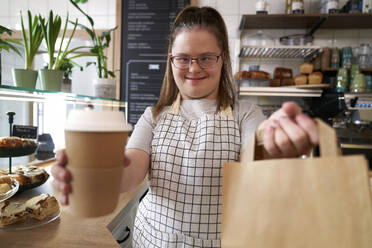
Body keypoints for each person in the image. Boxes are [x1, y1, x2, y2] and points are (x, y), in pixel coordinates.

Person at [52, 6, 318, 247]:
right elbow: (131, 171)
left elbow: (256, 159)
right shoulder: (153, 116)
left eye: (205, 58)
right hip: (155, 240)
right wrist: (95, 172)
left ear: (221, 58)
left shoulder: (245, 114)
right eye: (184, 58)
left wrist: (275, 150)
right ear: (171, 60)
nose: (194, 68)